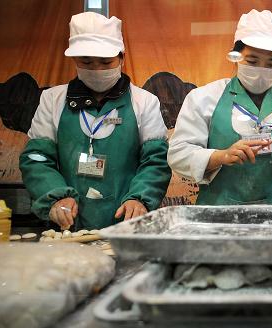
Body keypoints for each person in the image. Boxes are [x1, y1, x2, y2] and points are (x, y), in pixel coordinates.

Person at [20, 12, 170, 229]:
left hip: (127, 223)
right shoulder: (52, 100)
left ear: (122, 58)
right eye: (86, 62)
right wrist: (54, 196)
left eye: (106, 62)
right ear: (74, 60)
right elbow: (36, 157)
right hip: (67, 225)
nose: (97, 69)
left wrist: (139, 198)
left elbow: (156, 160)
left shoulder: (144, 102)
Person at [167, 9, 272, 205]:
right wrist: (221, 156)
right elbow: (178, 153)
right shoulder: (203, 98)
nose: (261, 70)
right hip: (217, 214)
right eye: (252, 61)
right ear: (236, 56)